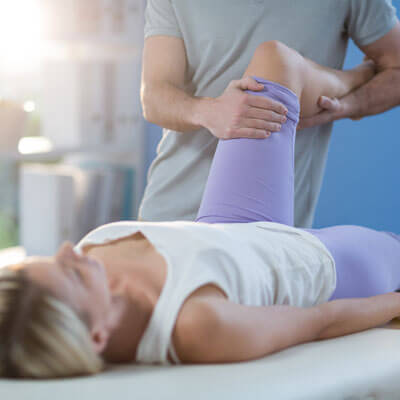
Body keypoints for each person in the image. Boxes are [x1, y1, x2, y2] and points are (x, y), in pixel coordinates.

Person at [1, 41, 400, 379]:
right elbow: (318, 322)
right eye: (69, 273)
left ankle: (353, 85)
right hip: (305, 263)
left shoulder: (94, 253)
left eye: (53, 259)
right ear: (96, 337)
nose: (70, 249)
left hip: (232, 222)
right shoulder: (198, 327)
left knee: (272, 61)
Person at [138, 0, 400, 228]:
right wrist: (208, 112)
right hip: (167, 216)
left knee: (280, 62)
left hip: (263, 225)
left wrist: (348, 105)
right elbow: (154, 96)